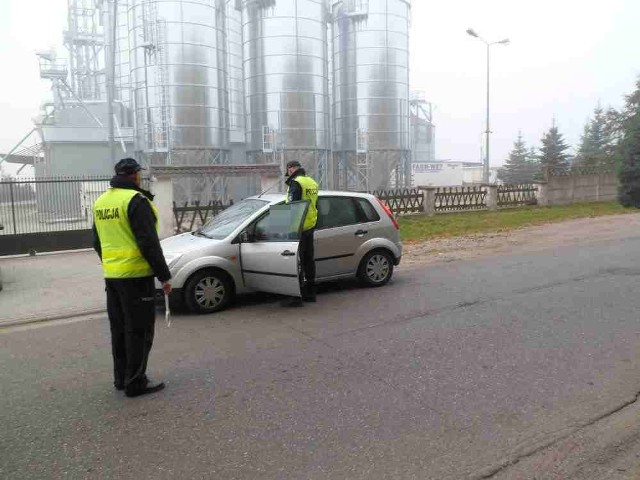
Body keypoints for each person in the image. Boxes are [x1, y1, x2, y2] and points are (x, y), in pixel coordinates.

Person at [92, 158, 172, 397]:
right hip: (136, 278)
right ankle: (136, 382)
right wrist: (164, 276)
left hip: (112, 276)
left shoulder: (101, 202)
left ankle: (121, 378)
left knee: (119, 329)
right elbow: (148, 243)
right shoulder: (136, 201)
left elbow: (96, 242)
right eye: (139, 173)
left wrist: (112, 264)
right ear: (135, 175)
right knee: (139, 330)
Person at [282, 160, 319, 307]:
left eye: (288, 171)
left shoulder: (295, 183)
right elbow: (315, 205)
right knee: (308, 260)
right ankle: (311, 294)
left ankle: (296, 297)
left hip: (297, 227)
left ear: (291, 170)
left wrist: (280, 226)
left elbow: (292, 206)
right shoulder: (312, 182)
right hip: (310, 225)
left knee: (295, 262)